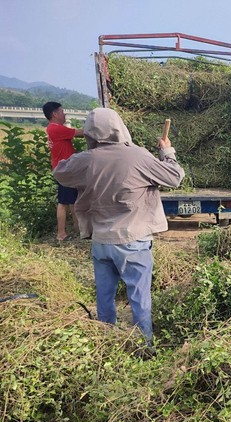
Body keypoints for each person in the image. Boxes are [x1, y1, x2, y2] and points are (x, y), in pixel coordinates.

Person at [53, 108, 185, 347]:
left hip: (101, 242)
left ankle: (105, 343)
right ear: (119, 127)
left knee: (104, 297)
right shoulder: (137, 156)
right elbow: (175, 177)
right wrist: (167, 151)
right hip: (132, 241)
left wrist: (87, 159)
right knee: (139, 296)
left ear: (91, 133)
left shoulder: (85, 161)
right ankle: (144, 346)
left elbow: (60, 172)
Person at [43, 101, 84, 241]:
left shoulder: (54, 128)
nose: (64, 113)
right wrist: (98, 127)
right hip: (64, 170)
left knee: (72, 199)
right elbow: (81, 133)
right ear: (54, 114)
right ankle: (61, 234)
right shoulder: (56, 128)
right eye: (61, 111)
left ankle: (77, 227)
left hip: (65, 169)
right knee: (63, 202)